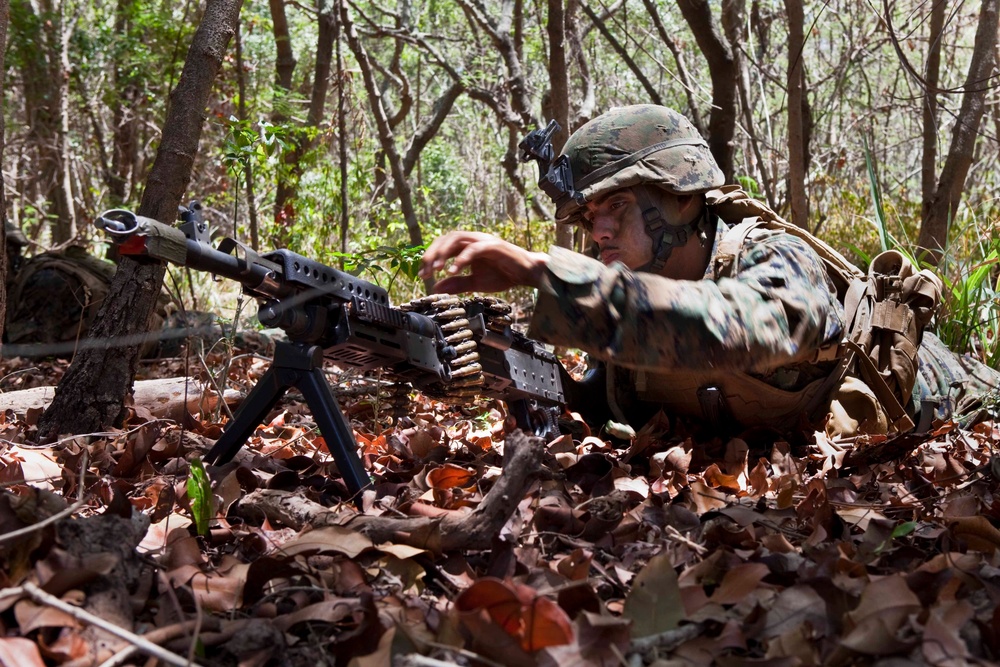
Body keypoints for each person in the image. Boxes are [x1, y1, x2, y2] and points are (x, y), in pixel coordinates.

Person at [419, 104, 999, 438]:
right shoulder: (636, 299)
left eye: (617, 207)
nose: (598, 233)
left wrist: (543, 272)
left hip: (965, 403)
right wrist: (505, 367)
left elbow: (735, 328)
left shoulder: (775, 258)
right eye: (589, 217)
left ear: (682, 197)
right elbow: (611, 404)